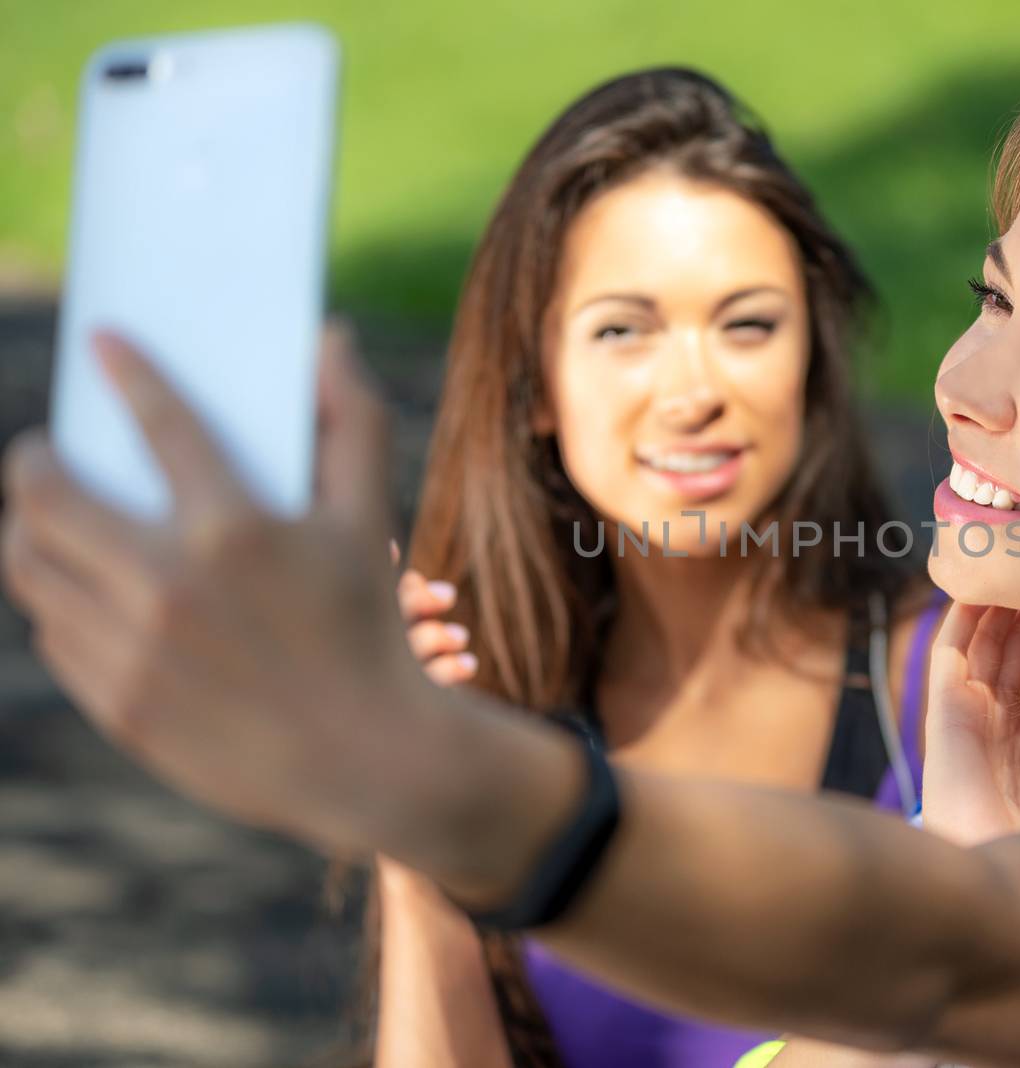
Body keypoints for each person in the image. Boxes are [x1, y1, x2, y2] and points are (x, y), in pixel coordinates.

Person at [3, 51, 1020, 1067]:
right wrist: (975, 840)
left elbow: (970, 965)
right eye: (990, 298)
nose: (965, 384)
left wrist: (416, 769)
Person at [372, 68, 946, 1067]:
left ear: (810, 362)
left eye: (747, 324)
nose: (691, 393)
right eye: (622, 331)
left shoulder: (958, 686)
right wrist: (410, 838)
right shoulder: (492, 717)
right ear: (533, 385)